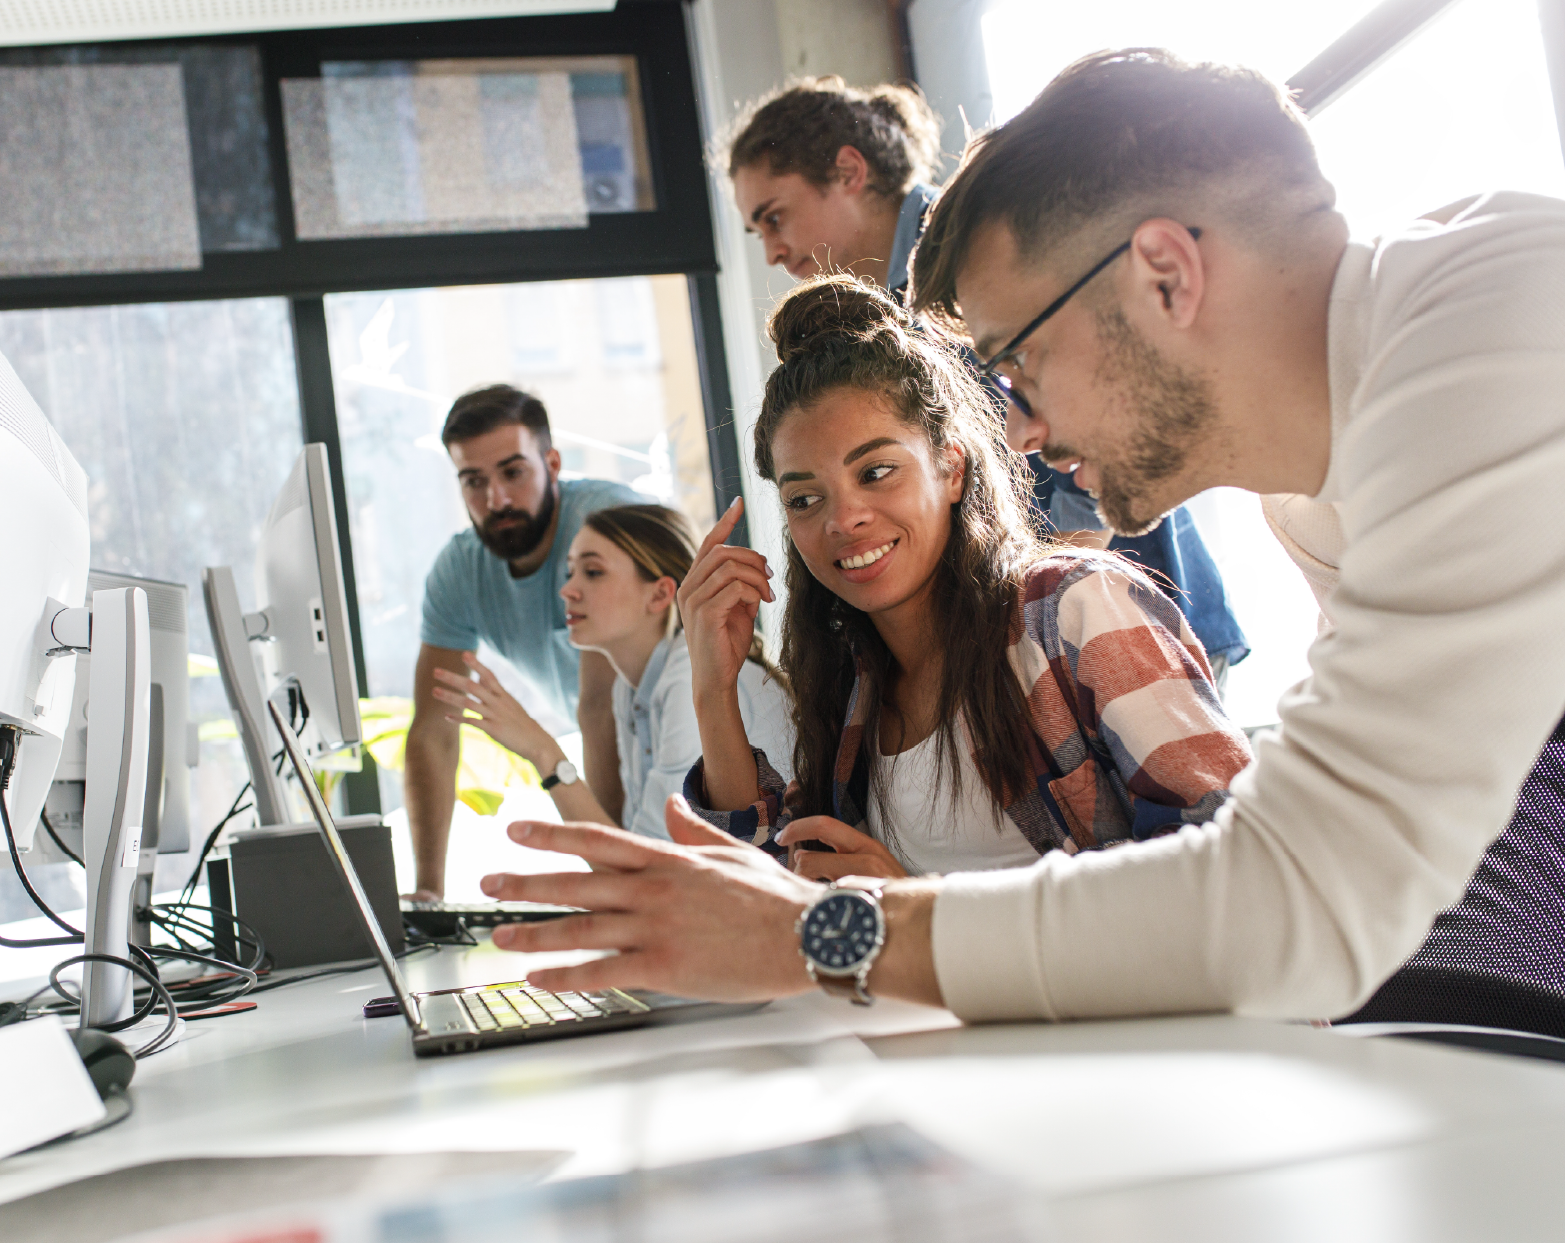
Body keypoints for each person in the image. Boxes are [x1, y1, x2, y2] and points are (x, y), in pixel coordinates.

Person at [476, 50, 1565, 1028]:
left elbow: (1301, 894)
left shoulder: (1494, 322)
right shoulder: (1314, 495)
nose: (1015, 420)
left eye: (1017, 362)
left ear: (1165, 273)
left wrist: (827, 934)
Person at [677, 275, 1248, 884]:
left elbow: (1233, 869)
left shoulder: (1073, 610)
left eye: (876, 471)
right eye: (805, 499)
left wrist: (918, 913)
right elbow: (768, 895)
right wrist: (714, 687)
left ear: (951, 468)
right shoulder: (853, 683)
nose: (844, 520)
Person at [724, 75, 1247, 683]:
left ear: (847, 171)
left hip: (1120, 622)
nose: (771, 252)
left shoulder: (978, 258)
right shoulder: (893, 309)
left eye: (774, 217)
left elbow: (1098, 432)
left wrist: (1034, 619)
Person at [405, 385, 643, 902]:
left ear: (552, 463)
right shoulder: (460, 570)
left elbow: (599, 710)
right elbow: (433, 731)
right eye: (474, 481)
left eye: (513, 472)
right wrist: (428, 895)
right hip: (611, 755)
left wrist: (614, 883)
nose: (497, 500)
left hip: (682, 748)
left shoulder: (601, 529)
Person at [431, 504, 795, 841]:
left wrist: (543, 752)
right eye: (570, 572)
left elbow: (652, 869)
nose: (568, 590)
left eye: (593, 572)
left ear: (659, 595)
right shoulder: (629, 690)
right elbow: (640, 853)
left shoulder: (687, 679)